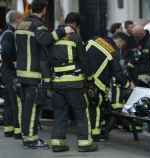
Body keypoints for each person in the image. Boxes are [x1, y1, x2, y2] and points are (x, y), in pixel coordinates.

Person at [15, 0, 73, 148]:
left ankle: (27, 136)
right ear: (44, 10)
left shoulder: (22, 23)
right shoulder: (38, 25)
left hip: (22, 72)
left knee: (27, 107)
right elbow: (45, 40)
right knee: (34, 106)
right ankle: (31, 139)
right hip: (34, 73)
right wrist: (62, 31)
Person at [48, 12, 98, 152]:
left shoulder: (55, 36)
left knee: (60, 113)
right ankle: (84, 143)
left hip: (57, 82)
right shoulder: (75, 37)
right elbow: (84, 61)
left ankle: (57, 143)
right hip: (74, 83)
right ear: (76, 24)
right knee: (81, 112)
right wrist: (90, 80)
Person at [85, 36, 130, 141]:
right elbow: (117, 72)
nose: (120, 48)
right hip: (96, 83)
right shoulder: (111, 51)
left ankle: (85, 132)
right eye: (121, 45)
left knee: (84, 108)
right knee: (95, 107)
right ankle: (95, 134)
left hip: (81, 78)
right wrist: (127, 84)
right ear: (120, 41)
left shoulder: (93, 39)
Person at [0, 10, 23, 139]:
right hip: (10, 72)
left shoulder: (5, 33)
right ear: (17, 19)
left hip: (5, 71)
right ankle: (18, 130)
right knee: (16, 101)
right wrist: (15, 62)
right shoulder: (10, 34)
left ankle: (8, 129)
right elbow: (7, 52)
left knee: (8, 101)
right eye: (21, 19)